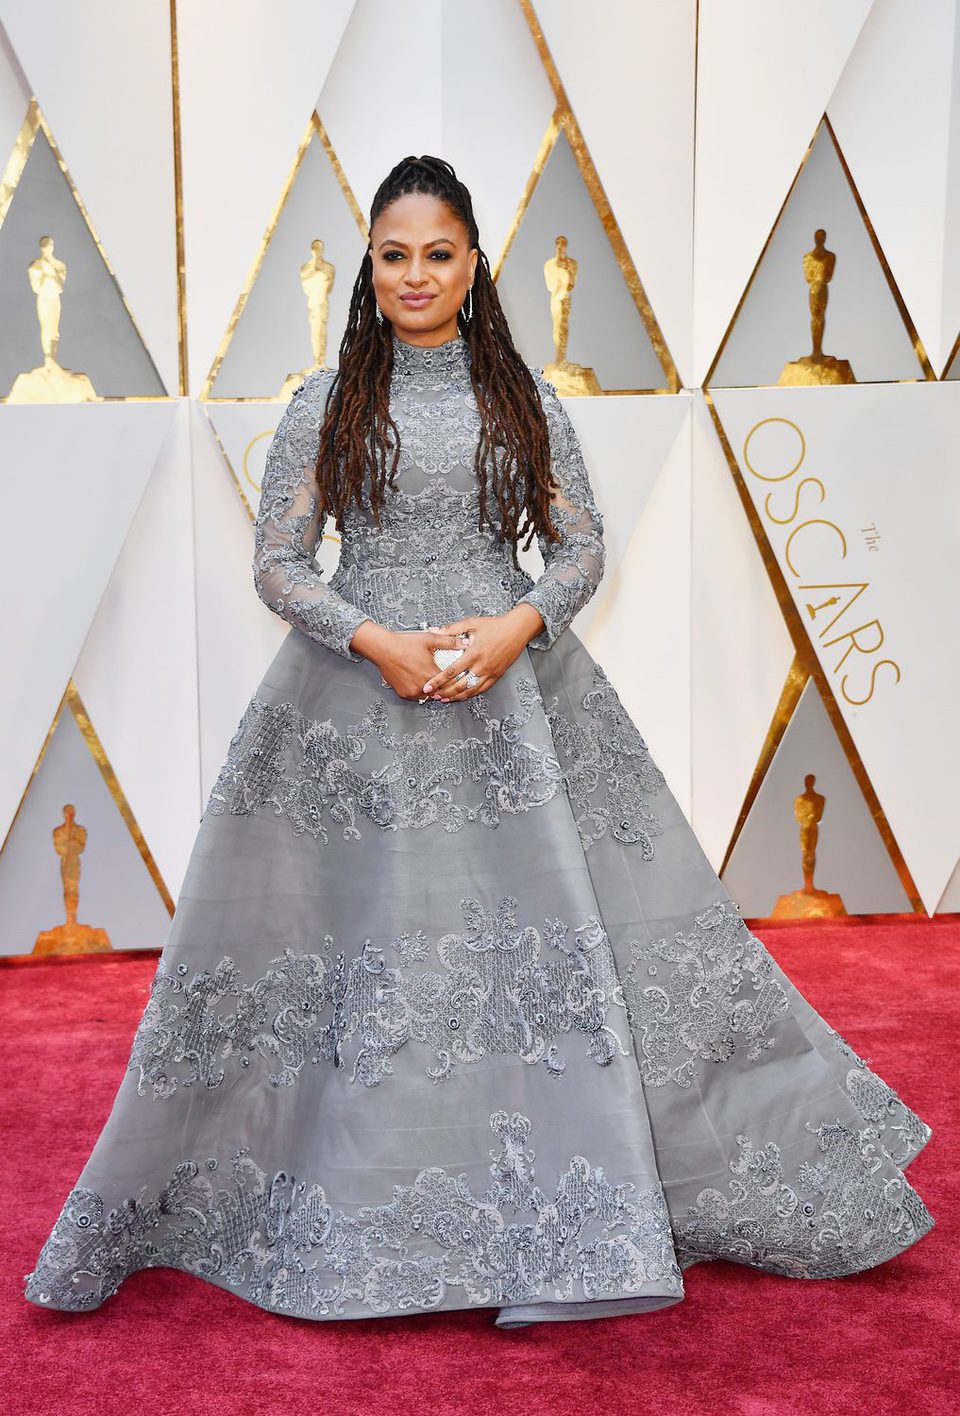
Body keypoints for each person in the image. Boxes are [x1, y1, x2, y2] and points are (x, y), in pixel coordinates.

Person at [24, 155, 934, 1328]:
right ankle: (343, 1203)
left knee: (560, 958)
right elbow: (279, 564)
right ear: (371, 265)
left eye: (438, 253)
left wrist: (516, 625)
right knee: (352, 967)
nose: (415, 274)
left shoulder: (523, 397)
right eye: (394, 254)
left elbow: (582, 547)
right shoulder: (325, 401)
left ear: (472, 264)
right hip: (356, 709)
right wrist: (375, 641)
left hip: (517, 693)